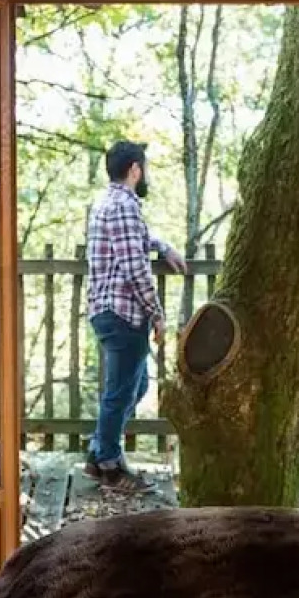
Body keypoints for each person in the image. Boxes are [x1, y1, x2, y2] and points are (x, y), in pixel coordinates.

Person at [84, 140, 185, 493]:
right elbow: (135, 269)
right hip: (122, 314)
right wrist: (156, 314)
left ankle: (98, 454)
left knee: (135, 387)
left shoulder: (107, 202)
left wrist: (161, 245)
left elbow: (134, 239)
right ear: (135, 170)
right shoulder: (124, 206)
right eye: (144, 168)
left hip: (108, 311)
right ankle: (110, 467)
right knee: (120, 393)